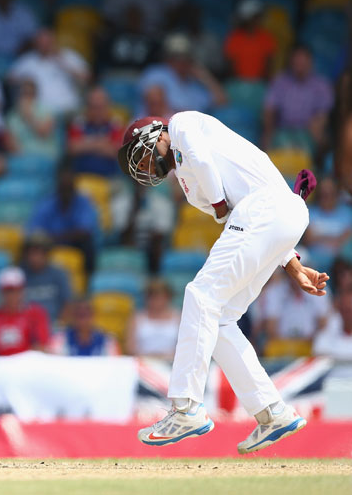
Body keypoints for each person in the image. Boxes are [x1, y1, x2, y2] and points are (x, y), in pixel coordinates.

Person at [117, 112, 329, 454]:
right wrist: (294, 266)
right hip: (275, 216)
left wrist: (218, 204)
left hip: (269, 207)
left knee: (199, 295)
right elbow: (246, 227)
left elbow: (207, 169)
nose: (142, 165)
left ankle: (186, 408)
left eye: (141, 153)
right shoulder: (189, 188)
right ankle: (272, 412)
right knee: (217, 318)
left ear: (157, 135)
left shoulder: (181, 123)